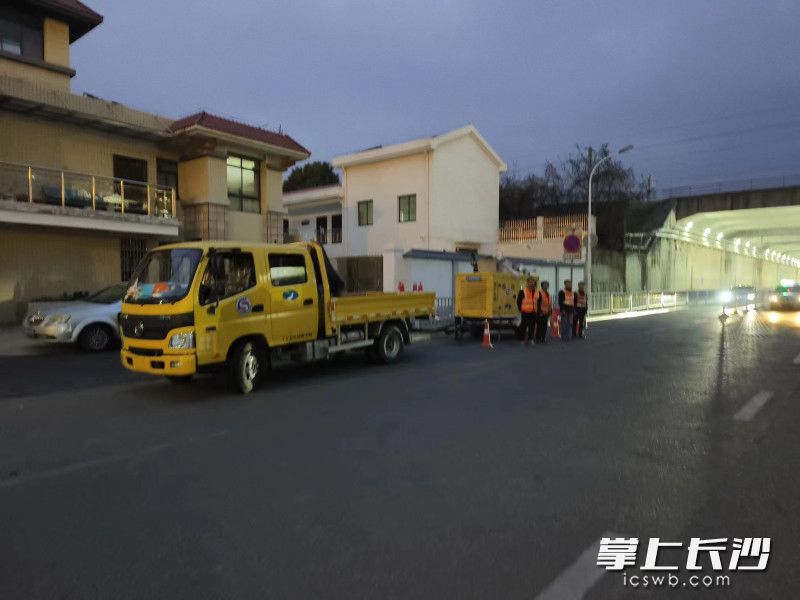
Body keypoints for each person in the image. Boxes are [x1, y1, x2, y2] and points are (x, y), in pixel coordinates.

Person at [516, 277, 537, 345]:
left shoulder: (536, 292)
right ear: (527, 283)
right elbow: (518, 301)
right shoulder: (523, 291)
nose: (532, 283)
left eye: (533, 282)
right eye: (530, 282)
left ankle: (530, 339)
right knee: (524, 326)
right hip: (525, 312)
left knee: (532, 326)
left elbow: (538, 302)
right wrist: (520, 309)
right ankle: (522, 339)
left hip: (533, 312)